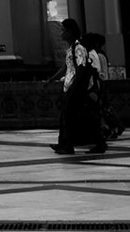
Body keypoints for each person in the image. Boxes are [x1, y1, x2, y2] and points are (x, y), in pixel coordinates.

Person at [50, 18, 84, 155]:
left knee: (70, 118)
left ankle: (68, 145)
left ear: (70, 32)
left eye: (63, 30)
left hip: (73, 88)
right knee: (64, 117)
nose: (61, 33)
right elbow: (65, 67)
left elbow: (81, 68)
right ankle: (63, 143)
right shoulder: (70, 49)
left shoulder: (79, 48)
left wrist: (75, 85)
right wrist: (51, 80)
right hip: (68, 87)